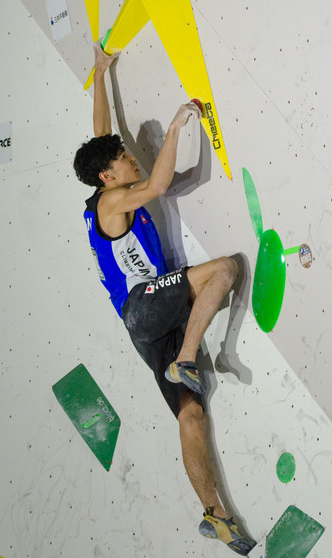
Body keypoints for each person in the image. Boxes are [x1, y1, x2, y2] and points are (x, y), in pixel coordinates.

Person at [73, 43, 256, 555]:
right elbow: (156, 183)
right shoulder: (114, 200)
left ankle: (215, 516)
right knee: (225, 270)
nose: (133, 154)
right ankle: (184, 360)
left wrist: (101, 72)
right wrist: (177, 127)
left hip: (148, 316)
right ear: (108, 177)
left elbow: (101, 131)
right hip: (144, 304)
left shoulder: (103, 189)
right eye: (124, 157)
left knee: (190, 416)